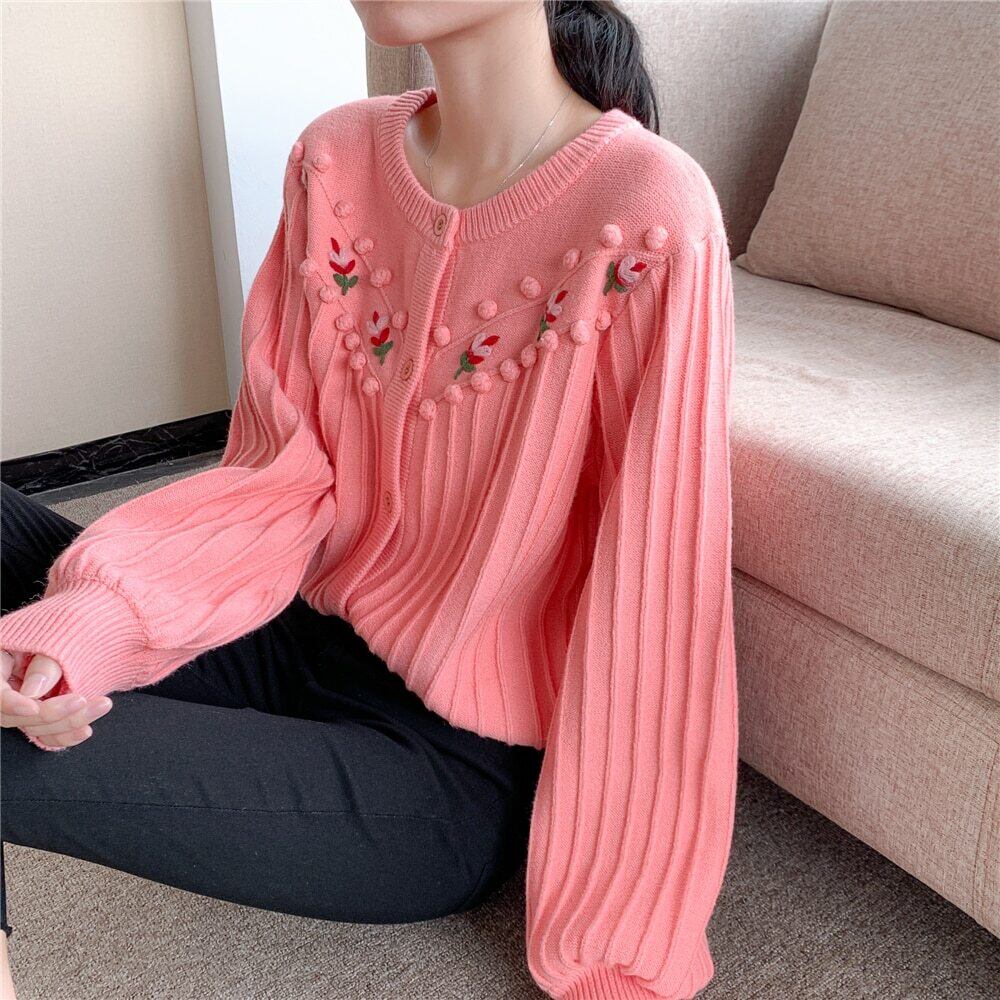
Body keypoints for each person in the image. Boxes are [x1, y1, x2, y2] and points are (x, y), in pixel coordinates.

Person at [0, 2, 739, 998]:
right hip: (278, 626)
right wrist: (84, 627)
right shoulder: (335, 157)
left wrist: (615, 954)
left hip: (438, 765)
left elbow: (655, 601)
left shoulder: (647, 208)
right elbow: (275, 477)